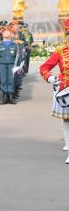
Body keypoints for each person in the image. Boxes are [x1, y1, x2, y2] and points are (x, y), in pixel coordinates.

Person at [39, 19, 69, 163]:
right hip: (65, 90)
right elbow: (44, 68)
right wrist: (50, 78)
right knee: (67, 121)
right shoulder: (60, 52)